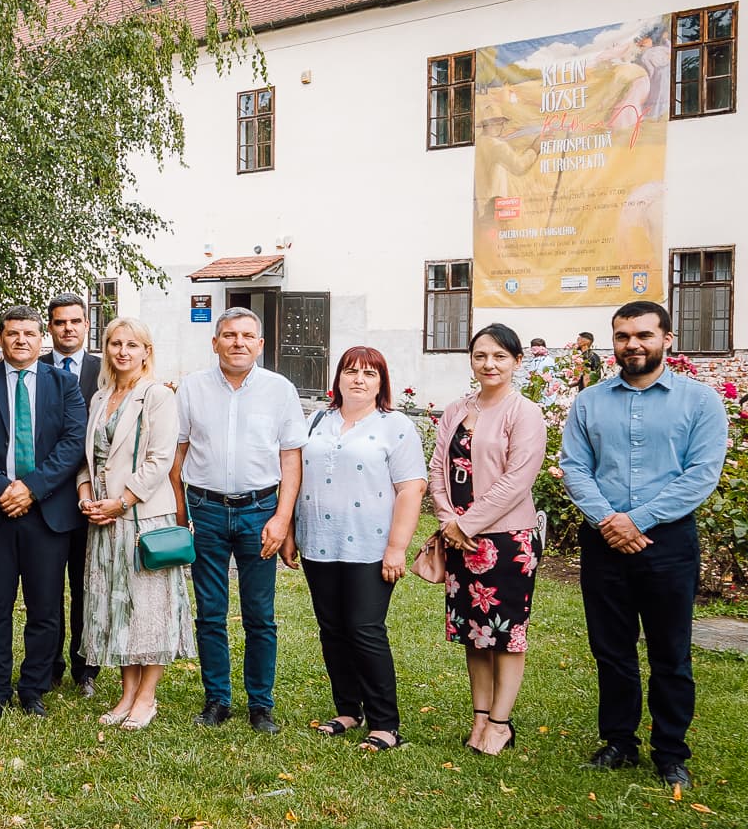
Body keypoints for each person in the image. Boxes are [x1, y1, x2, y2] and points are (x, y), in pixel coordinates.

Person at [560, 301, 728, 788]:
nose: (632, 344)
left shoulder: (700, 402)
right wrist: (609, 520)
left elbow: (702, 474)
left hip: (668, 541)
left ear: (667, 339)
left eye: (643, 335)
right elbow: (574, 466)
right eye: (623, 336)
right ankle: (619, 742)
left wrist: (637, 520)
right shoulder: (589, 401)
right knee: (611, 650)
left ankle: (671, 751)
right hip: (604, 541)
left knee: (670, 652)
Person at [170, 307, 308, 733]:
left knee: (260, 614)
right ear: (215, 343)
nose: (238, 343)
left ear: (260, 344)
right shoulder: (192, 388)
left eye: (247, 336)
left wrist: (283, 518)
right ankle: (216, 700)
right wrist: (180, 509)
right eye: (229, 335)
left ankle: (260, 704)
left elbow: (291, 457)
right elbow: (177, 452)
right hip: (206, 512)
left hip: (260, 512)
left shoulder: (279, 390)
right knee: (210, 612)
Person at [290, 347, 427, 752]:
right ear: (338, 379)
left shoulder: (395, 426)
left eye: (369, 373)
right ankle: (348, 710)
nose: (359, 380)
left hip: (370, 545)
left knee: (365, 631)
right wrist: (290, 532)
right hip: (319, 543)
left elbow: (411, 489)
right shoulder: (317, 420)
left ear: (381, 382)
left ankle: (386, 723)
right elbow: (296, 476)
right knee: (332, 631)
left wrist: (397, 548)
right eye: (351, 371)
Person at [0, 307, 86, 718]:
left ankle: (33, 689)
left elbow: (73, 443)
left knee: (45, 608)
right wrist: (1, 489)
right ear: (1, 338)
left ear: (41, 338)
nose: (21, 341)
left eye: (29, 333)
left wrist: (31, 488)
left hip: (47, 513)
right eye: (13, 334)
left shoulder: (65, 385)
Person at [428, 323, 548, 756]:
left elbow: (517, 481)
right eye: (481, 355)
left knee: (506, 635)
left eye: (500, 356)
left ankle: (501, 723)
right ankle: (479, 718)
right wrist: (447, 519)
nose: (489, 364)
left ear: (517, 361)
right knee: (473, 633)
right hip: (460, 541)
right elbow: (438, 468)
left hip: (507, 540)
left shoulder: (525, 412)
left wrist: (468, 522)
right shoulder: (457, 409)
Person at [77, 319, 191, 730]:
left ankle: (147, 698)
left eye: (132, 344)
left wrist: (120, 502)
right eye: (114, 344)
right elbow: (86, 458)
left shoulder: (157, 396)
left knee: (149, 607)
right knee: (119, 607)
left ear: (146, 351)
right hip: (103, 519)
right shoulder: (100, 397)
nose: (122, 351)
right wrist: (86, 495)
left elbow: (160, 460)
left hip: (142, 516)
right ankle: (126, 695)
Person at [46, 293, 103, 698]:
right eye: (60, 322)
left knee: (87, 587)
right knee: (46, 589)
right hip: (47, 495)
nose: (68, 328)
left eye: (75, 322)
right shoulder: (33, 366)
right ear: (50, 327)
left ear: (87, 326)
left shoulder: (105, 369)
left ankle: (86, 669)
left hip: (95, 498)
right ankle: (49, 665)